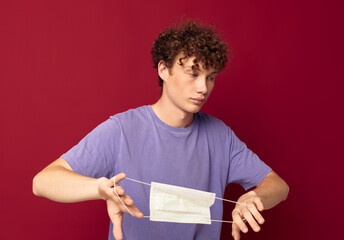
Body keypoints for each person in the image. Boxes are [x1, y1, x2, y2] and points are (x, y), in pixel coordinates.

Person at [33, 21, 289, 240]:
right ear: (163, 70)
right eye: (193, 73)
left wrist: (254, 198)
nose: (203, 88)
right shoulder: (122, 129)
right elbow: (42, 182)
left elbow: (278, 186)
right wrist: (98, 188)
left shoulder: (220, 136)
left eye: (211, 77)